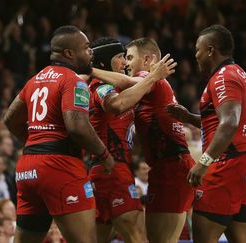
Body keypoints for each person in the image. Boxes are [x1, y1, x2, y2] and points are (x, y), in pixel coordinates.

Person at [4, 25, 115, 243]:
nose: (91, 51)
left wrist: (35, 144)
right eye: (86, 47)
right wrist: (105, 155)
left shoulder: (35, 79)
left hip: (28, 168)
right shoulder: (72, 80)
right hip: (59, 166)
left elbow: (10, 119)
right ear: (69, 53)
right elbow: (77, 127)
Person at [167, 25, 246, 243]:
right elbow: (227, 122)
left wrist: (203, 162)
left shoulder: (222, 77)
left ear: (210, 50)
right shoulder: (238, 72)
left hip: (227, 164)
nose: (196, 55)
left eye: (198, 49)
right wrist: (190, 118)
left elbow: (229, 124)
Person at [88, 37, 176, 243]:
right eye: (120, 57)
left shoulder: (118, 86)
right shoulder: (101, 86)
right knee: (138, 237)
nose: (125, 63)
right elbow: (116, 105)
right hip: (113, 170)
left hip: (107, 170)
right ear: (104, 62)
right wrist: (154, 76)